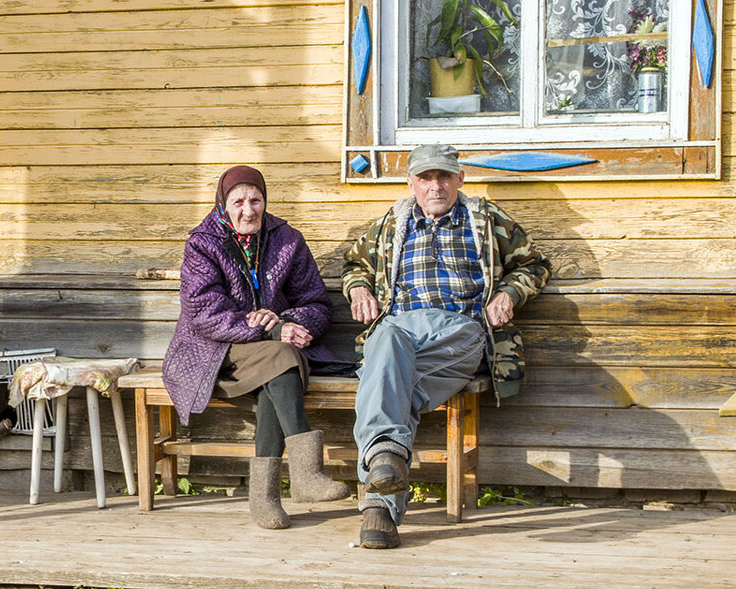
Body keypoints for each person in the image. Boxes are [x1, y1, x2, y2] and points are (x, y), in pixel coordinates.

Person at [343, 144, 551, 549]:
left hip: (459, 334)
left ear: (460, 179)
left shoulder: (487, 221)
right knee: (387, 343)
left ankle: (378, 500)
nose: (435, 186)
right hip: (400, 333)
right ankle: (384, 478)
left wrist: (509, 294)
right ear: (411, 184)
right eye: (425, 178)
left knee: (386, 376)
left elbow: (535, 264)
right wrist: (358, 290)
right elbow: (354, 266)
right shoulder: (390, 224)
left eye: (443, 177)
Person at [163, 165, 353, 529]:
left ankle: (264, 499)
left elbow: (315, 302)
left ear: (265, 201)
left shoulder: (287, 239)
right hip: (212, 352)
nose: (248, 210)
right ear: (223, 203)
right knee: (281, 356)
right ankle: (304, 475)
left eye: (256, 200)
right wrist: (272, 329)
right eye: (238, 202)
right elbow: (205, 314)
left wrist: (295, 323)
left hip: (269, 354)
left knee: (278, 366)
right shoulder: (203, 244)